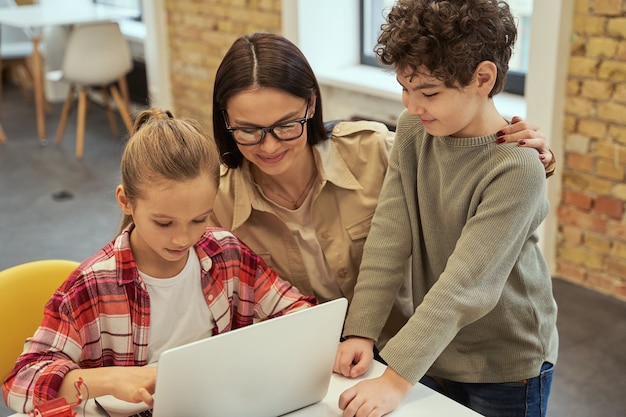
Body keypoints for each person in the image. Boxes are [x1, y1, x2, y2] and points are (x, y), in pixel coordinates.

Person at [210, 32, 556, 350]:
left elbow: (461, 169)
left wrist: (534, 157)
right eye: (248, 131)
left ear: (311, 106)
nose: (269, 146)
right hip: (304, 357)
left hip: (406, 347)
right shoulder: (215, 202)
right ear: (226, 121)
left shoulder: (374, 150)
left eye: (286, 125)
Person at [2, 109, 316, 414]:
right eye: (164, 223)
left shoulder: (225, 252)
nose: (183, 239)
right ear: (126, 201)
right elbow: (21, 383)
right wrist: (113, 380)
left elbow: (296, 310)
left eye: (198, 219)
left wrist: (304, 328)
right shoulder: (93, 285)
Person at [333, 1, 558, 416]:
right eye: (404, 87)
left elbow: (465, 286)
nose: (412, 105)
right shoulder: (413, 132)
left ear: (482, 78)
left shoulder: (517, 165)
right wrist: (361, 331)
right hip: (433, 347)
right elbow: (388, 236)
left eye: (428, 92)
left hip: (506, 363)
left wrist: (395, 379)